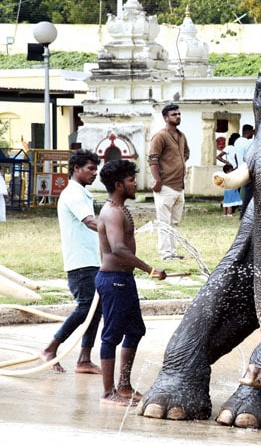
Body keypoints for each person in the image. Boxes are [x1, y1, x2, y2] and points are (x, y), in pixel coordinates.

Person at [97, 160, 166, 405]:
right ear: (118, 185)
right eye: (130, 180)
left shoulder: (118, 208)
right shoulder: (113, 212)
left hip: (123, 279)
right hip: (114, 280)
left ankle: (124, 386)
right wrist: (149, 269)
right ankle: (108, 393)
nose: (135, 183)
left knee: (136, 329)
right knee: (111, 336)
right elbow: (117, 249)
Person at [40, 149, 103, 374]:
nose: (94, 174)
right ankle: (51, 347)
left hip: (90, 260)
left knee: (96, 309)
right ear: (76, 168)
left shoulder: (81, 193)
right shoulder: (74, 194)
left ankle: (84, 359)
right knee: (86, 306)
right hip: (80, 263)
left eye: (96, 169)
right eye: (90, 169)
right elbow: (90, 222)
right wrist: (116, 229)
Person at [148, 103, 190, 260]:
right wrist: (157, 179)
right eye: (174, 114)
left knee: (174, 222)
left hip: (179, 186)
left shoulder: (182, 135)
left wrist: (178, 164)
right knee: (164, 223)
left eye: (178, 114)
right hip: (165, 186)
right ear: (165, 118)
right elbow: (152, 159)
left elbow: (186, 153)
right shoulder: (160, 136)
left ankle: (173, 252)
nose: (177, 116)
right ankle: (165, 254)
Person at [216, 133, 243, 217]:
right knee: (231, 191)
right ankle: (229, 210)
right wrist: (227, 163)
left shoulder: (237, 148)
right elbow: (219, 156)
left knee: (236, 190)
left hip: (236, 170)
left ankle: (231, 209)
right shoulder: (229, 148)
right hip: (231, 170)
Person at [233, 124, 255, 214]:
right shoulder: (247, 142)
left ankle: (242, 209)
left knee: (244, 189)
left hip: (240, 167)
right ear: (248, 131)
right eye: (252, 132)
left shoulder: (237, 141)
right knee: (249, 191)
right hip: (247, 168)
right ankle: (244, 211)